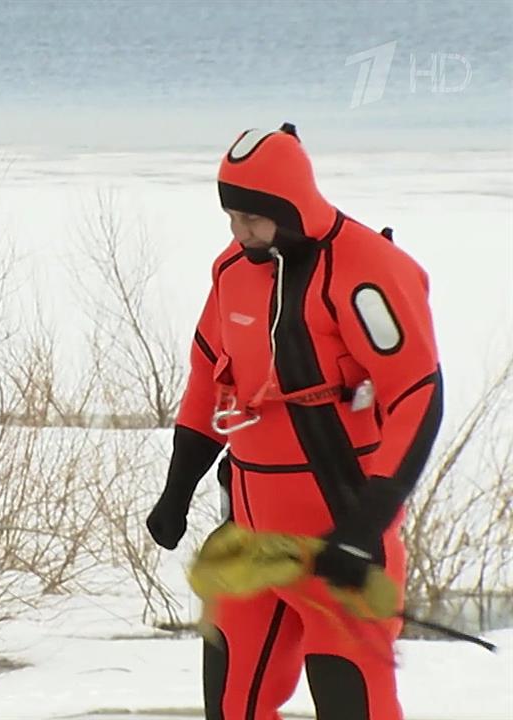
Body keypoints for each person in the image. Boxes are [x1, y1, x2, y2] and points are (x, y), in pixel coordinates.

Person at [146, 123, 443, 719]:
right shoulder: (234, 269)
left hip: (339, 548)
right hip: (251, 545)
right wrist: (176, 493)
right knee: (232, 705)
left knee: (353, 705)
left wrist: (365, 528)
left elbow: (417, 396)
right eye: (231, 217)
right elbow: (208, 379)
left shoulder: (367, 270)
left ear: (289, 205)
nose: (239, 233)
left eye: (253, 218)